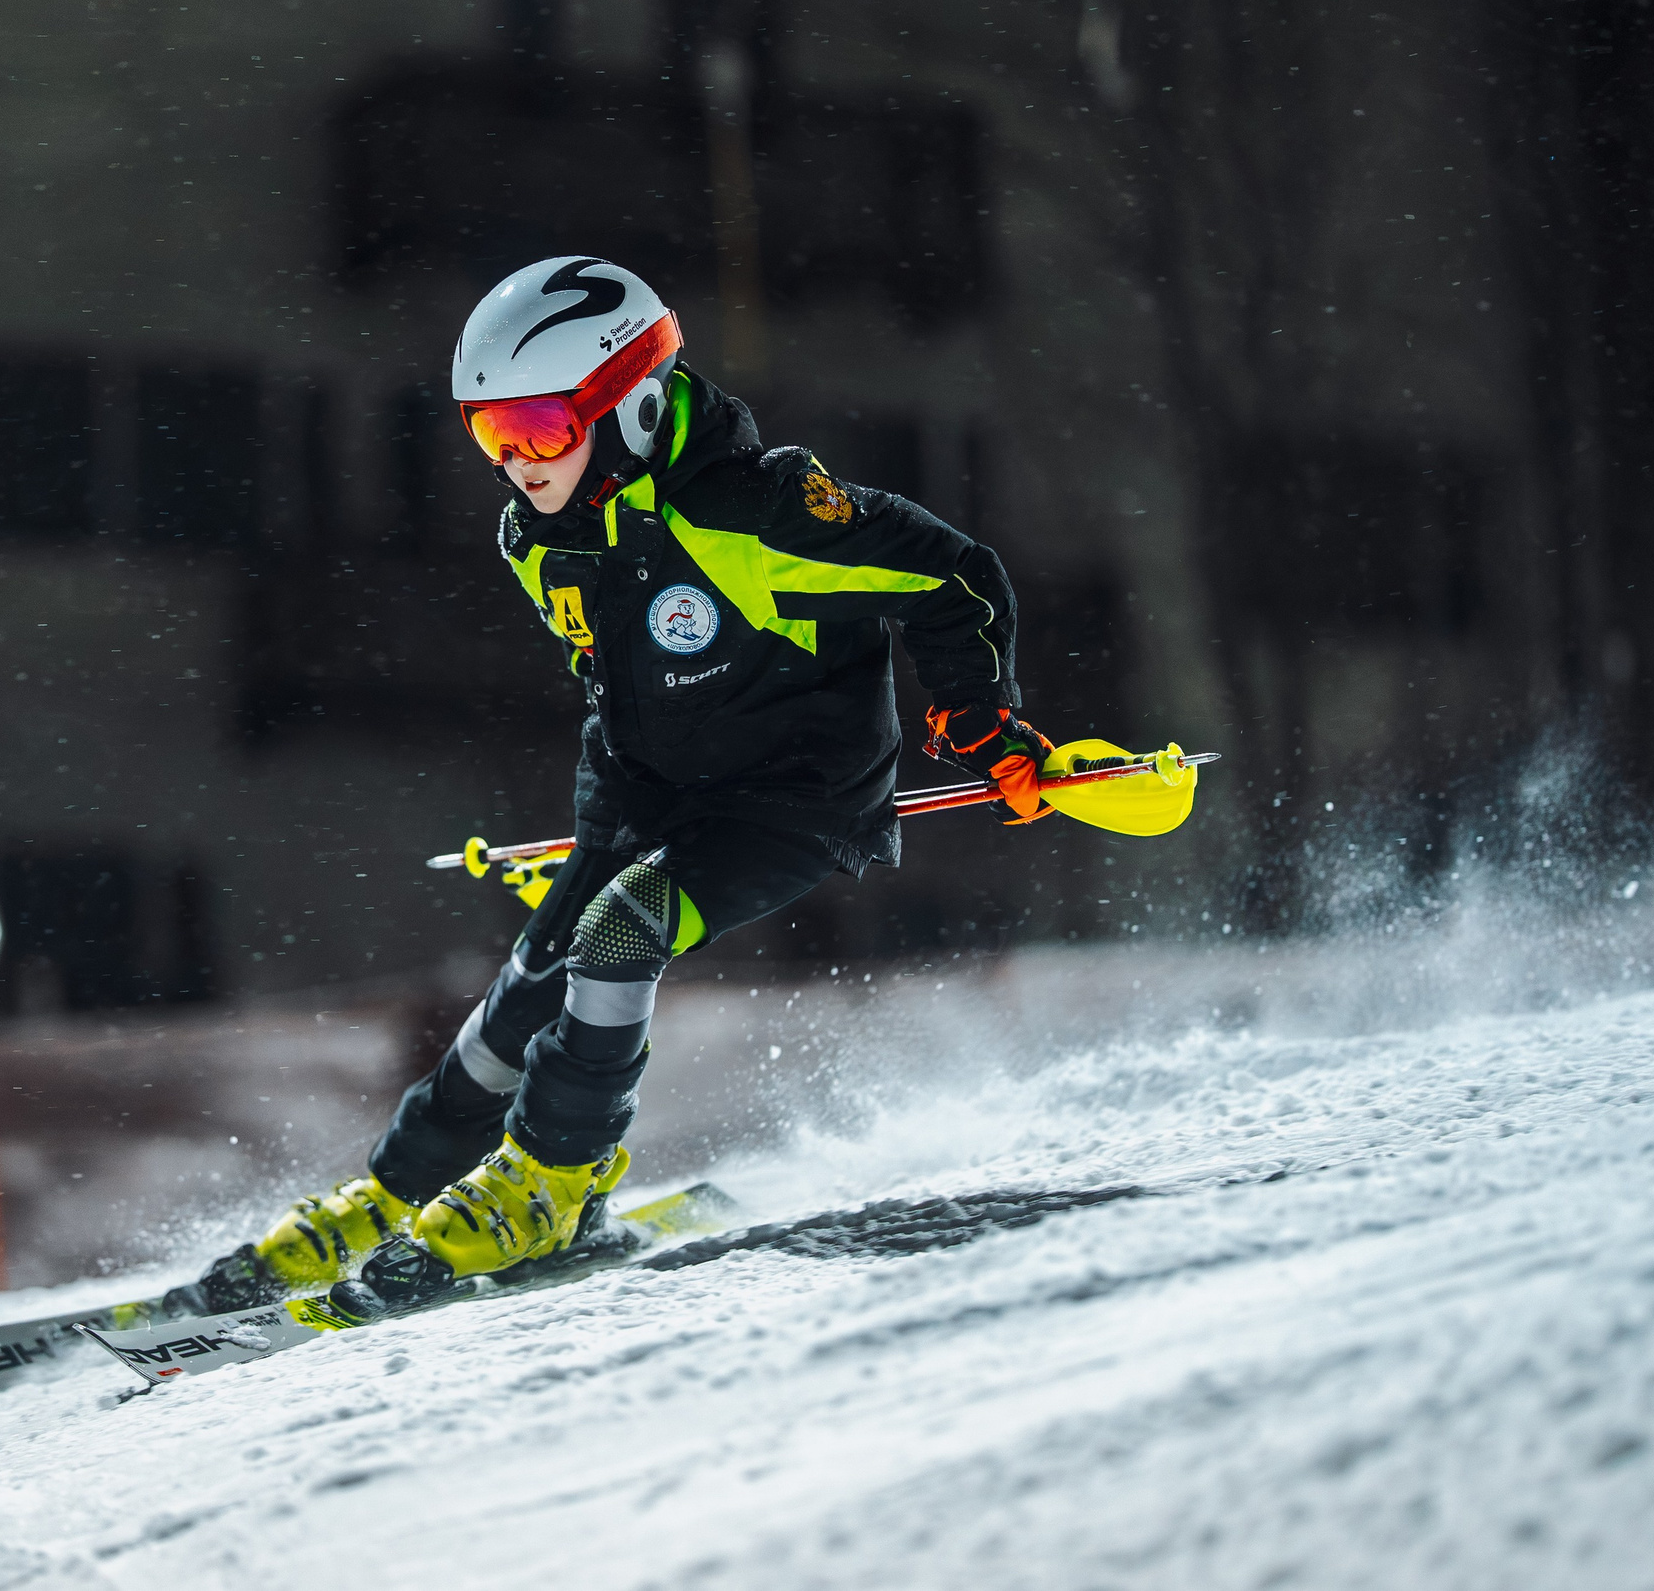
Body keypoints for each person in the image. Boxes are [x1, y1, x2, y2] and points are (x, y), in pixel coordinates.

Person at [204, 255, 1050, 1303]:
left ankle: (555, 1180)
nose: (517, 463)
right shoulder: (537, 539)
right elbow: (615, 675)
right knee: (521, 994)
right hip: (644, 795)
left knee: (620, 932)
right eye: (490, 434)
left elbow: (955, 577)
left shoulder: (755, 514)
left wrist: (980, 719)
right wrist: (618, 813)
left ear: (632, 407)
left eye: (541, 429)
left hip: (791, 798)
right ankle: (395, 1192)